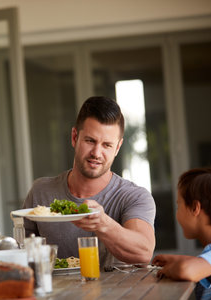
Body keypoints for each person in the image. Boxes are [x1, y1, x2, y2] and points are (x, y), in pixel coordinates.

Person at [23, 96, 156, 268]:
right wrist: (5, 249)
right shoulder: (41, 191)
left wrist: (103, 224)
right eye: (90, 141)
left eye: (107, 145)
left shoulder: (134, 196)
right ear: (74, 137)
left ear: (117, 148)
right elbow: (24, 253)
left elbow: (143, 253)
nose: (96, 153)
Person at [153, 168, 211, 300]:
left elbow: (185, 270)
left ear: (194, 208)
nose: (177, 214)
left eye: (178, 205)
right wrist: (178, 259)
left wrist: (169, 270)